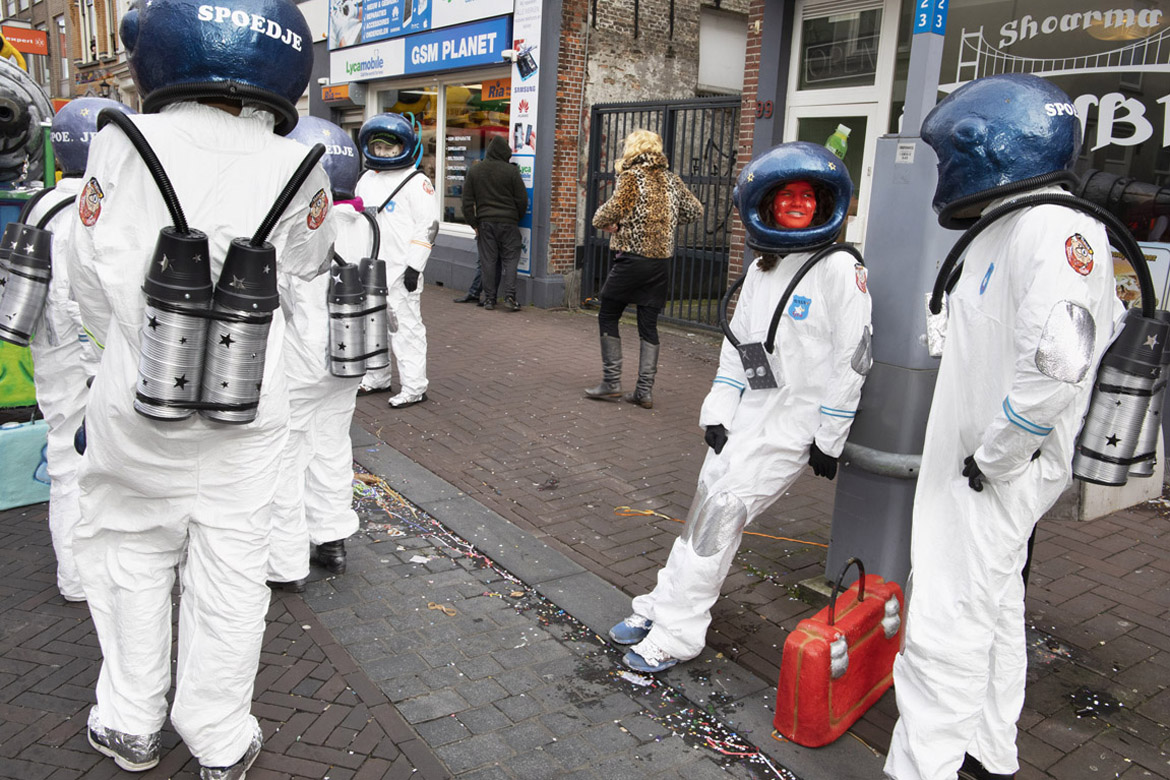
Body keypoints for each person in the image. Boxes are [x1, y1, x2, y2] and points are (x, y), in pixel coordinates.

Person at [63, 0, 336, 776]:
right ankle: (217, 734)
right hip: (248, 407)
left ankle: (130, 720)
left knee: (128, 553)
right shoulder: (303, 164)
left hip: (136, 398)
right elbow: (309, 264)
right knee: (232, 566)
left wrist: (120, 352)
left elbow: (85, 277)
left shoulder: (120, 141)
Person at [884, 75, 1121, 780]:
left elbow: (1060, 363)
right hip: (979, 461)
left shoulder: (1054, 227)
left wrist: (998, 455)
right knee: (991, 605)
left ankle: (923, 767)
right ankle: (986, 751)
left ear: (984, 145)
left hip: (991, 469)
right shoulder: (1010, 222)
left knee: (947, 619)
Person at [608, 141, 872, 673]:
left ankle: (679, 634)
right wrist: (720, 409)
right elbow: (741, 346)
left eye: (807, 196)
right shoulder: (762, 267)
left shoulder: (839, 269)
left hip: (796, 423)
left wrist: (829, 436)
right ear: (767, 205)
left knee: (722, 515)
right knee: (704, 511)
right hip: (751, 413)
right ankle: (662, 604)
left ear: (823, 205)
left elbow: (855, 358)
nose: (797, 203)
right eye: (786, 195)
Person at [20, 98, 133, 603]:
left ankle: (75, 574)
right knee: (105, 462)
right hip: (93, 352)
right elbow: (94, 296)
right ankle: (97, 572)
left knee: (65, 455)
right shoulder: (103, 205)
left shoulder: (40, 204)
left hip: (50, 350)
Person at [267, 116, 368, 592]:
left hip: (299, 360)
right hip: (349, 357)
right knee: (331, 446)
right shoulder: (365, 224)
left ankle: (285, 562)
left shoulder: (295, 225)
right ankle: (332, 540)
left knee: (284, 455)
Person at [585, 129, 702, 409]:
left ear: (633, 149)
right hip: (660, 263)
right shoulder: (672, 180)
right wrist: (665, 222)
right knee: (648, 325)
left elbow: (606, 214)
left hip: (632, 259)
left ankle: (612, 383)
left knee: (608, 313)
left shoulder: (632, 177)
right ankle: (644, 392)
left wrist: (611, 224)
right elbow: (695, 210)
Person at [354, 113, 439, 407]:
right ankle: (376, 377)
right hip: (370, 266)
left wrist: (415, 266)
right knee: (372, 325)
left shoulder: (416, 182)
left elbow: (428, 225)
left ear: (403, 147)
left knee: (405, 328)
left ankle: (414, 386)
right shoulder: (365, 179)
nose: (383, 152)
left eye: (389, 148)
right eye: (378, 147)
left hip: (401, 269)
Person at [460, 135, 528, 311]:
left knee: (488, 261)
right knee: (511, 260)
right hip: (508, 223)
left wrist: (474, 223)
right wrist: (516, 217)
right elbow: (522, 200)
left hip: (485, 223)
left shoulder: (475, 171)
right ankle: (510, 297)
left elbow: (466, 202)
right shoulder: (511, 171)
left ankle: (490, 299)